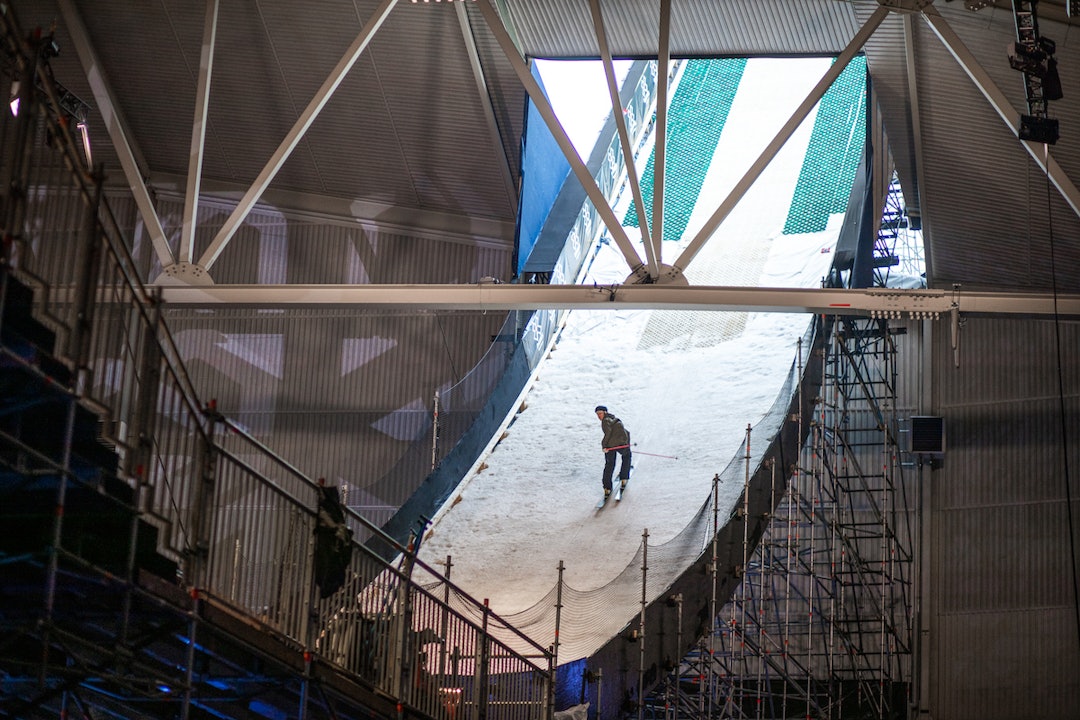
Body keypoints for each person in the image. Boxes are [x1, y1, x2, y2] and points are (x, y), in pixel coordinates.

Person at [594, 405, 632, 499]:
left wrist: (604, 446)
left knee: (609, 464)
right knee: (627, 456)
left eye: (600, 414)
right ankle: (624, 478)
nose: (599, 416)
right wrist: (627, 444)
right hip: (621, 444)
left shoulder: (605, 421)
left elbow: (608, 434)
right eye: (597, 414)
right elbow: (626, 432)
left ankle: (607, 488)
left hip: (611, 446)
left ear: (605, 412)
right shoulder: (614, 419)